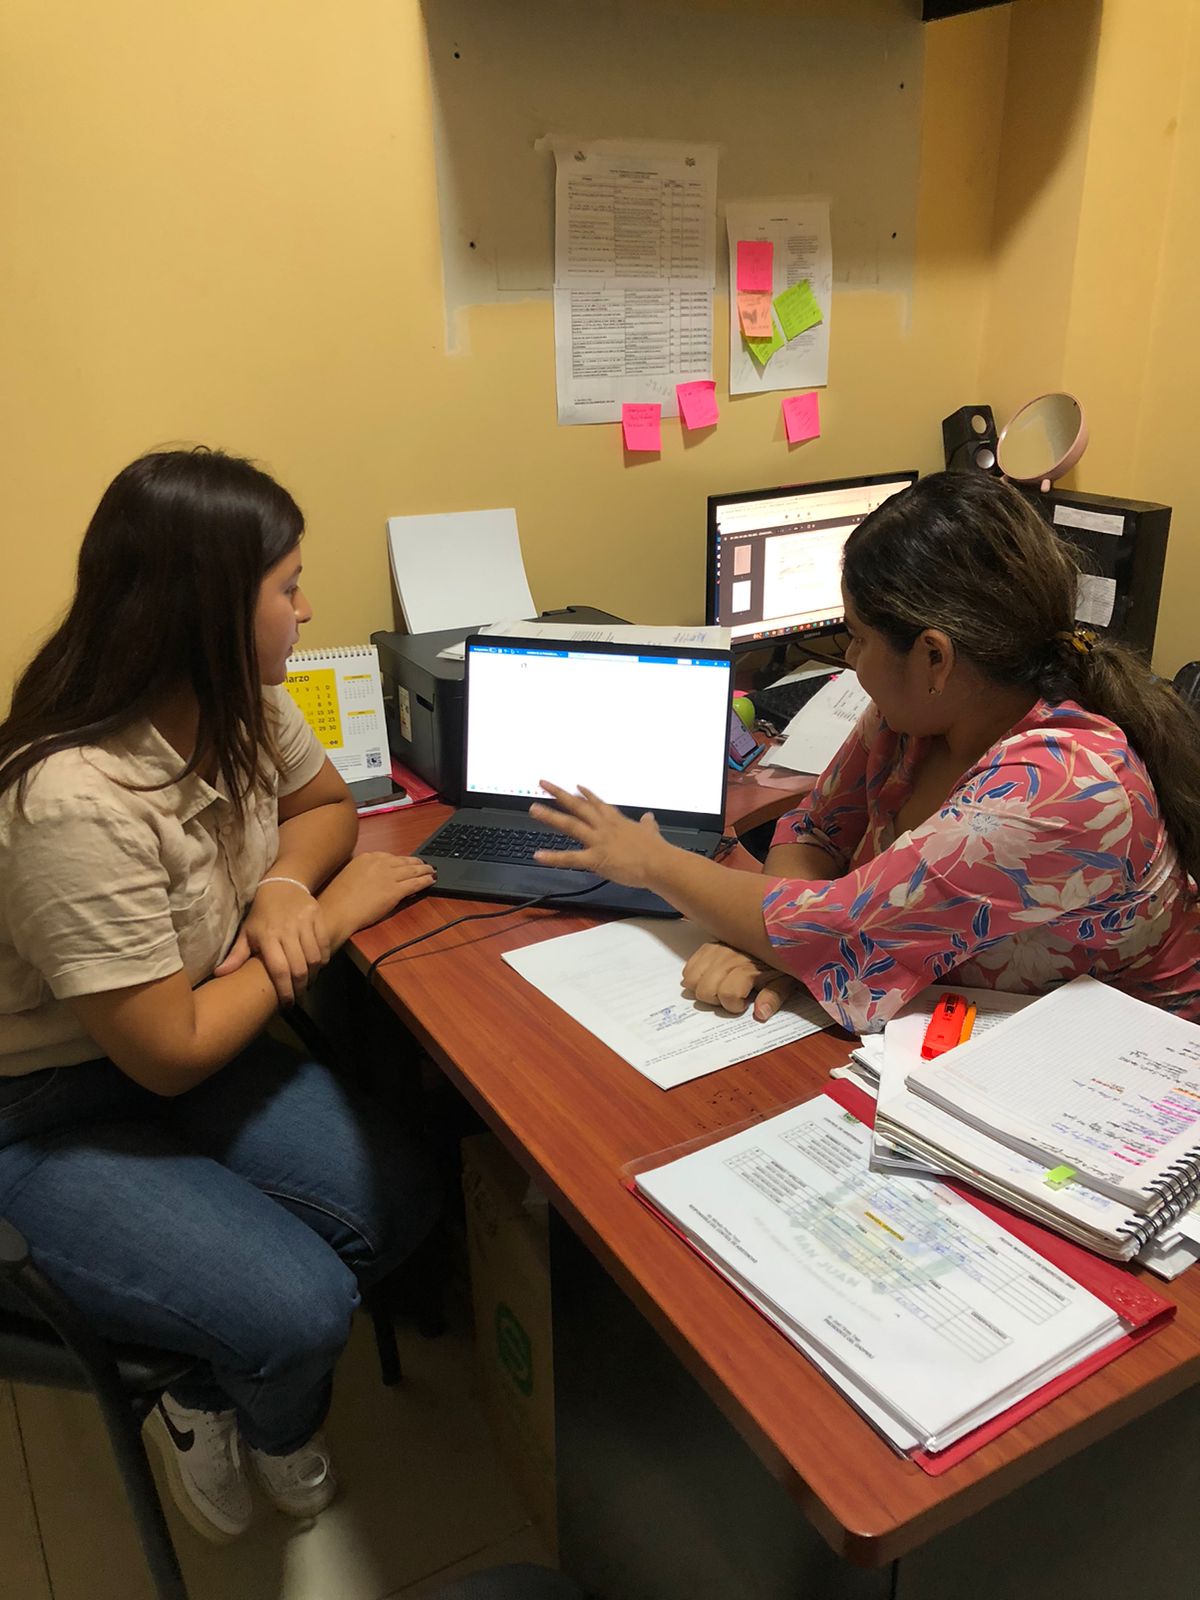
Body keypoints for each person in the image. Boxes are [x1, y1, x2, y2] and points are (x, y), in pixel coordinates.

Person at [0, 448, 440, 1542]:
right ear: (205, 610)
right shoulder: (72, 801)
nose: (307, 608)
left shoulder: (236, 702)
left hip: (182, 1035)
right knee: (298, 1307)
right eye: (289, 586)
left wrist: (286, 889)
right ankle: (221, 1403)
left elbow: (327, 805)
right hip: (44, 1105)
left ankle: (217, 1358)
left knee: (400, 1194)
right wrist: (329, 921)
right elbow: (171, 1053)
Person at [529, 472, 1200, 1031]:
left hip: (1102, 1065)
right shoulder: (914, 717)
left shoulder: (1056, 790)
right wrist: (780, 946)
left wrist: (652, 862)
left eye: (856, 637)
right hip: (966, 1021)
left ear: (933, 656)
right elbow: (815, 832)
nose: (850, 659)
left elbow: (846, 931)